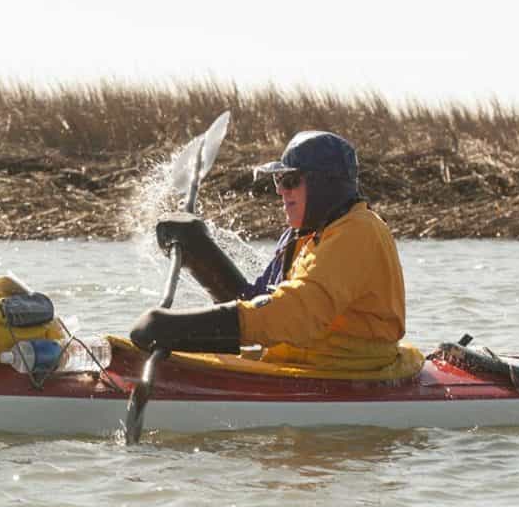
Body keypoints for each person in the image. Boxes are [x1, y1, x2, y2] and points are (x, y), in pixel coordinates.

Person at [130, 131, 408, 370]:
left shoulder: (357, 233)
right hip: (306, 362)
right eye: (278, 181)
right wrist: (201, 255)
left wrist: (177, 328)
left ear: (325, 184)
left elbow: (297, 313)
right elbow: (260, 304)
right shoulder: (301, 237)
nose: (280, 192)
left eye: (290, 181)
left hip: (353, 371)